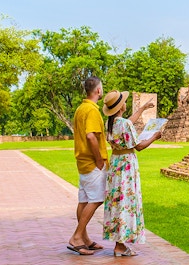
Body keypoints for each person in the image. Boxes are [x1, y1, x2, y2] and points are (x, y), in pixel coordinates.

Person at [101, 90, 161, 257]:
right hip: (126, 166)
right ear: (121, 106)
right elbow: (139, 146)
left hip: (116, 165)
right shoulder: (124, 124)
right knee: (126, 202)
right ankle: (120, 246)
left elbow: (128, 122)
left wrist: (141, 109)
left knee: (118, 203)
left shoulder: (111, 123)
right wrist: (154, 136)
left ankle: (119, 243)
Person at [67, 76, 108, 256]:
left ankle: (85, 239)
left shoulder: (80, 109)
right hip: (92, 163)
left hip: (82, 161)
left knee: (84, 200)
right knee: (97, 199)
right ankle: (76, 237)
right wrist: (99, 160)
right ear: (98, 91)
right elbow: (91, 136)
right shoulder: (91, 111)